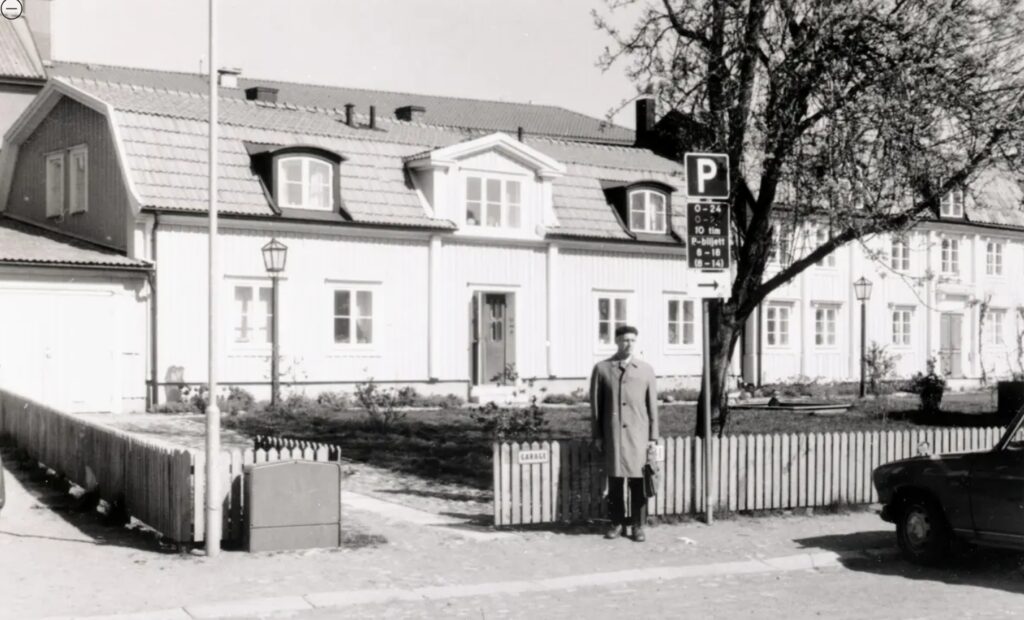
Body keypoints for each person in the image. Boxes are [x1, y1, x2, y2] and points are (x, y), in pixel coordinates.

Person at [589, 324, 659, 542]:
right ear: (617, 341)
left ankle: (638, 525)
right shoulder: (602, 369)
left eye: (632, 340)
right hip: (614, 435)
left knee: (638, 482)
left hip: (638, 435)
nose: (629, 344)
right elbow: (596, 407)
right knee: (615, 482)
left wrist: (653, 437)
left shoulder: (645, 370)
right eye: (624, 340)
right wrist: (598, 435)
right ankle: (616, 523)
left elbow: (652, 406)